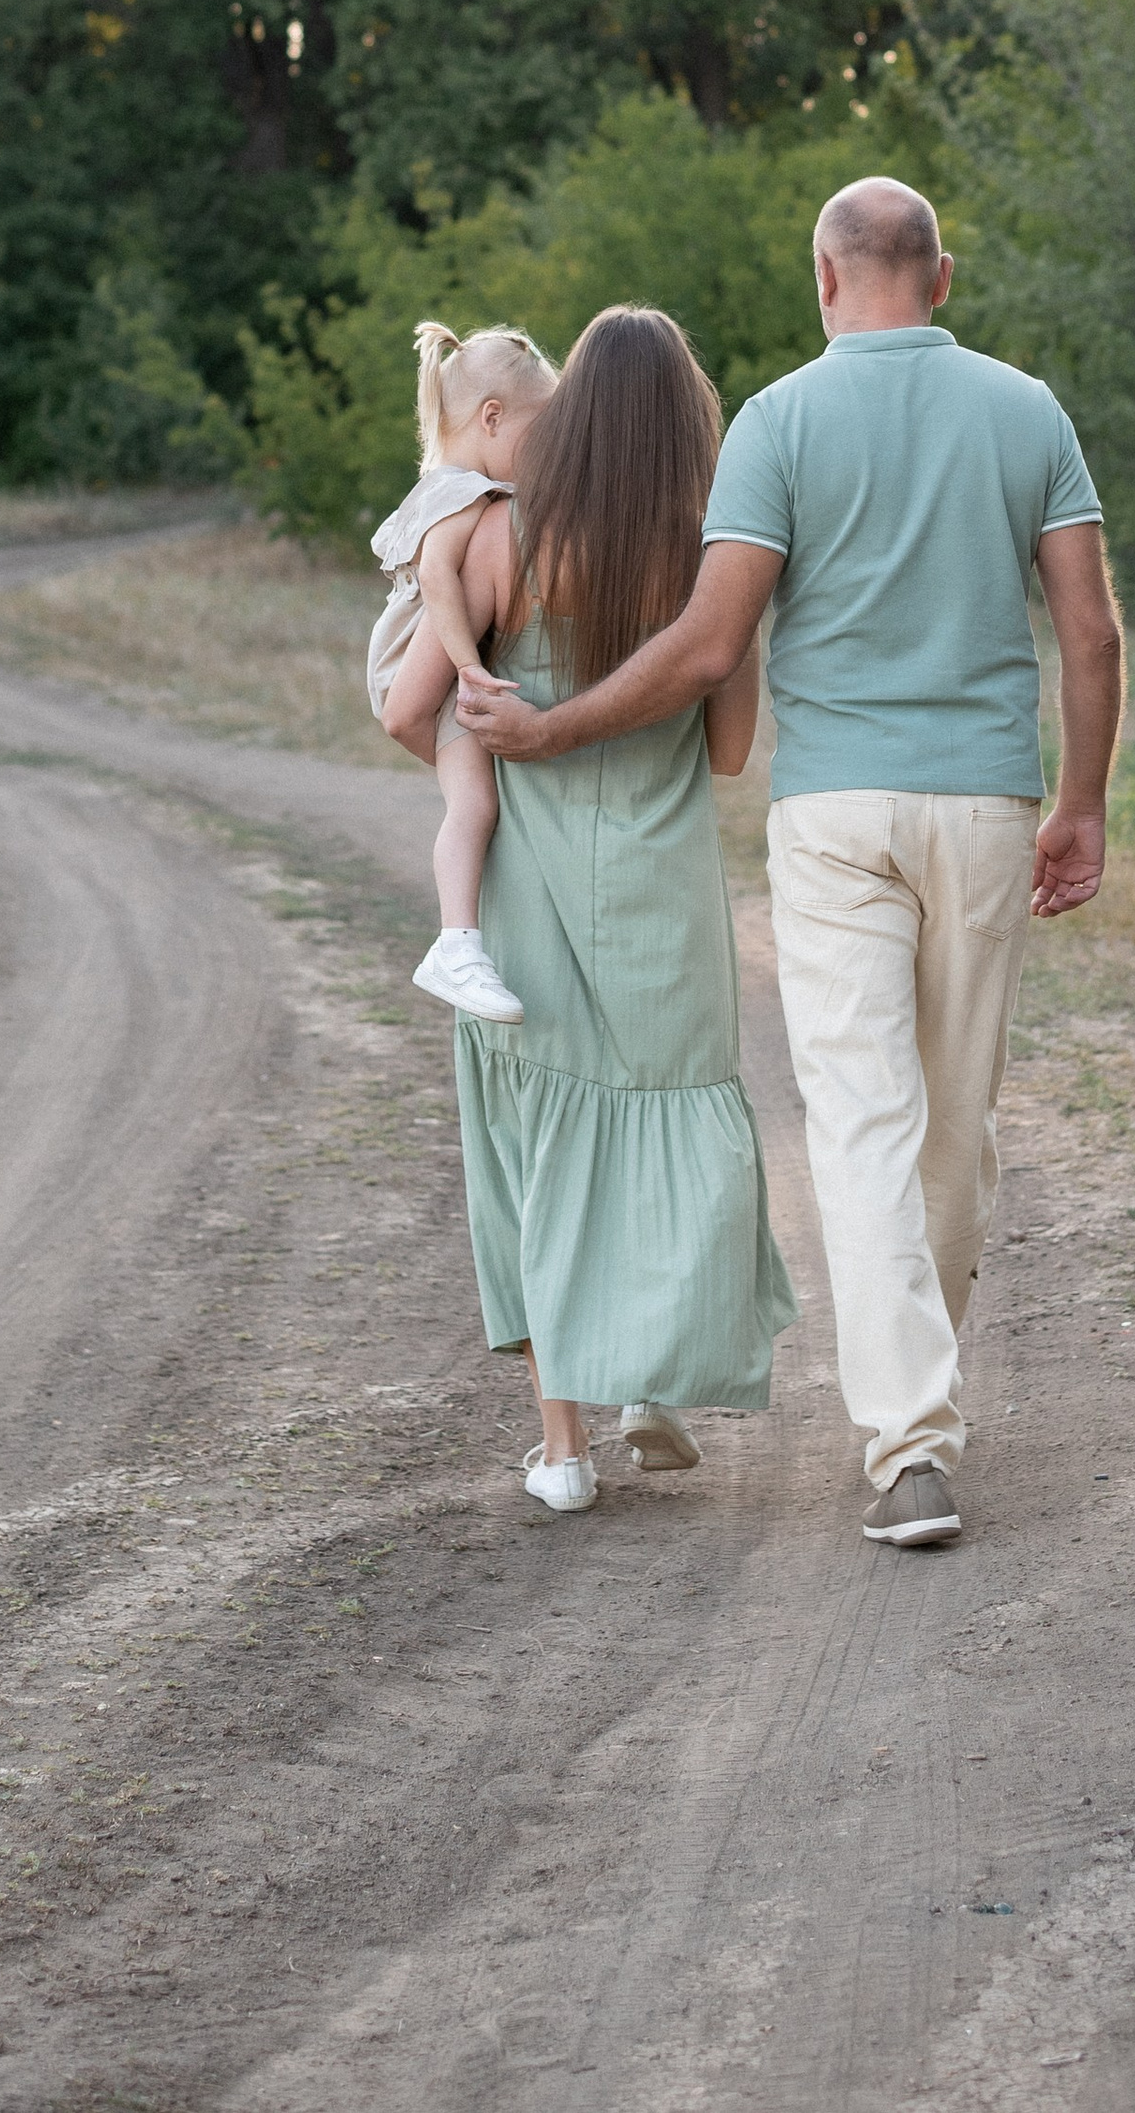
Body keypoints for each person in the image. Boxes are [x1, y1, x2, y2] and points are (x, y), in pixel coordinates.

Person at [459, 178, 1123, 1553]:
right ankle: (917, 1412)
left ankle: (912, 1445)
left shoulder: (776, 420)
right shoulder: (1030, 411)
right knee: (952, 1124)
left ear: (825, 279)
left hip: (834, 819)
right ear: (941, 276)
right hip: (986, 806)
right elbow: (1092, 633)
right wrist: (1084, 803)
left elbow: (710, 645)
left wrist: (553, 727)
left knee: (865, 1123)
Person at [383, 306, 799, 1515]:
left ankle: (562, 1451)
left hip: (531, 888)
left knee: (540, 1149)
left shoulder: (499, 538)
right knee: (670, 1130)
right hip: (663, 894)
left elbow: (408, 709)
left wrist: (483, 762)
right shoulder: (714, 558)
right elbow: (728, 750)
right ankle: (653, 1381)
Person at [367, 321, 558, 1022]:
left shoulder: (450, 482)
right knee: (475, 805)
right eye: (538, 435)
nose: (544, 454)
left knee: (478, 801)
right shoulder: (465, 492)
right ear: (492, 418)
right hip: (421, 661)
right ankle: (456, 946)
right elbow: (440, 579)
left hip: (429, 658)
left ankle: (465, 939)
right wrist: (471, 667)